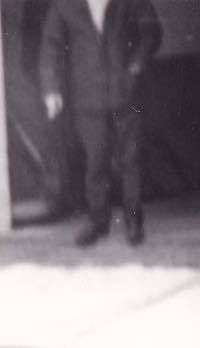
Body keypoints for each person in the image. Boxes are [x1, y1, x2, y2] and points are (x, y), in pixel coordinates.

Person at [39, 0, 163, 246]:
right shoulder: (64, 5)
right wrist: (51, 89)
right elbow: (50, 47)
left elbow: (152, 33)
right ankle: (99, 221)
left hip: (127, 94)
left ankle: (134, 221)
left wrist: (135, 67)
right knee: (96, 161)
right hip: (87, 96)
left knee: (130, 160)